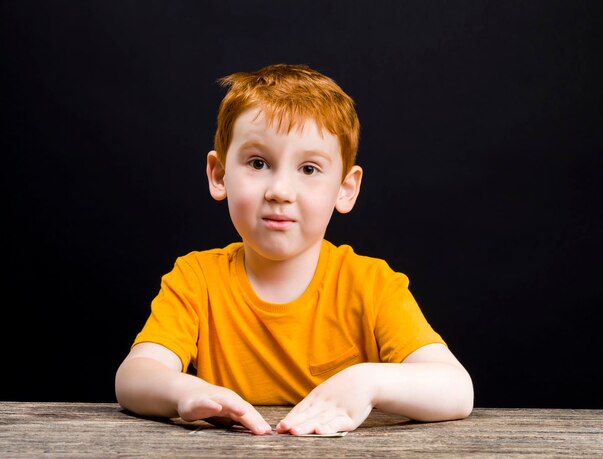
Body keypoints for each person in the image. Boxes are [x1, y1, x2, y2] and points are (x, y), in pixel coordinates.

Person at [115, 63, 474, 436]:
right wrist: (184, 391)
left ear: (345, 188)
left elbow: (457, 390)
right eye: (258, 163)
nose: (280, 191)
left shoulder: (371, 284)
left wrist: (367, 382)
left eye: (309, 169)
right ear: (219, 175)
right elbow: (134, 376)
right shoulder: (197, 278)